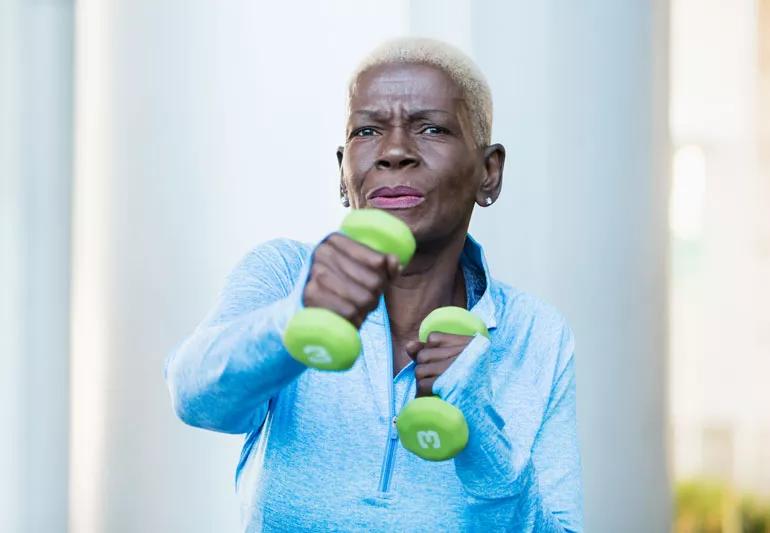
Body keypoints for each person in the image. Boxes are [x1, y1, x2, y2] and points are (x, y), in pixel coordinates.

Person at [164, 37, 583, 532]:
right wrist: (296, 320)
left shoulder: (538, 334)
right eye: (368, 130)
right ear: (343, 174)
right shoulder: (285, 275)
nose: (396, 152)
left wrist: (483, 438)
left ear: (488, 173)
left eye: (432, 128)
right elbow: (196, 398)